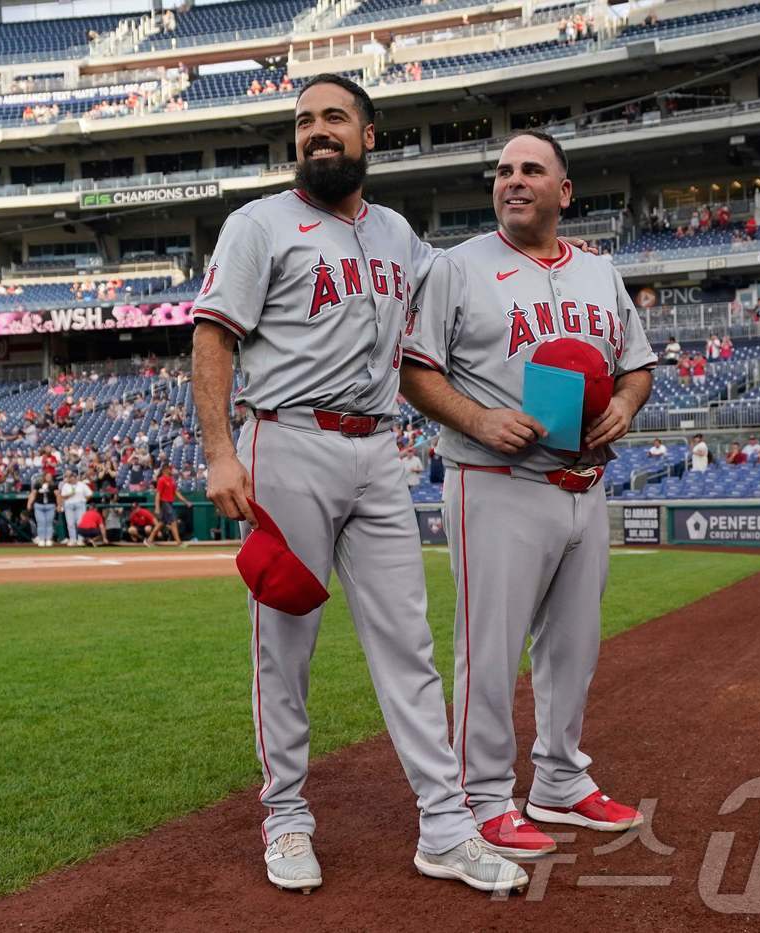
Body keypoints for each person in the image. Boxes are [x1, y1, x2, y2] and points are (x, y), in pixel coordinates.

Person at [193, 73, 526, 894]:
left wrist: (546, 253)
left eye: (334, 118)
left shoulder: (398, 233)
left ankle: (445, 827)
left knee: (409, 645)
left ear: (368, 135)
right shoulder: (258, 223)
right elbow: (213, 335)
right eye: (304, 121)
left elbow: (460, 290)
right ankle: (287, 817)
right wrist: (218, 450)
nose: (316, 132)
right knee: (284, 648)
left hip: (379, 451)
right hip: (288, 441)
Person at [402, 128, 656, 861]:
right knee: (490, 648)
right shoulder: (456, 267)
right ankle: (483, 798)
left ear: (563, 191)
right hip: (496, 480)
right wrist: (478, 417)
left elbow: (636, 366)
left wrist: (628, 407)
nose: (514, 180)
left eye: (532, 169)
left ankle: (558, 779)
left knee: (573, 647)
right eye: (505, 170)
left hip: (585, 481)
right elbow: (415, 369)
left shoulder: (600, 271)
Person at [150, 462, 190, 544]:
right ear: (165, 470)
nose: (171, 470)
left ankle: (149, 540)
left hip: (170, 503)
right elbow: (158, 494)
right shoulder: (161, 480)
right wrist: (157, 507)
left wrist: (186, 501)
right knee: (173, 521)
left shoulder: (172, 480)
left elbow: (176, 492)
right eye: (170, 469)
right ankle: (178, 542)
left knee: (161, 523)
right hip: (164, 502)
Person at [59, 470, 92, 547]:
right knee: (70, 523)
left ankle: (80, 540)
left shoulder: (82, 485)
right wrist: (70, 494)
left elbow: (89, 494)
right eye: (71, 477)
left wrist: (84, 500)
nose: (72, 479)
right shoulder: (66, 485)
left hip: (80, 504)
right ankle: (72, 540)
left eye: (74, 477)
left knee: (80, 523)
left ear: (76, 477)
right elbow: (63, 496)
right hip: (69, 505)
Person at [27, 472, 59, 547]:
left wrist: (59, 505)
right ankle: (41, 539)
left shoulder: (54, 485)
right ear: (44, 477)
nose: (48, 477)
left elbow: (57, 495)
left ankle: (48, 539)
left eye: (50, 476)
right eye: (47, 476)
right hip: (39, 505)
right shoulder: (38, 484)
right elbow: (33, 494)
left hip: (50, 505)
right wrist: (29, 503)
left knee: (49, 523)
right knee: (41, 522)